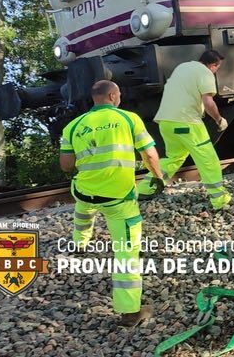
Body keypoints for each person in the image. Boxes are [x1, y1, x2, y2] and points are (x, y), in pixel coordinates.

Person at [59, 80, 165, 327]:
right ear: (113, 96)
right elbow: (149, 154)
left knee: (83, 208)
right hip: (118, 200)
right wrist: (158, 177)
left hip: (84, 192)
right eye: (118, 94)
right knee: (126, 252)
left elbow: (66, 166)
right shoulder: (129, 119)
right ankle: (130, 312)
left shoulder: (73, 126)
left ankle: (79, 243)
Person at [138, 50, 231, 210]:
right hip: (187, 124)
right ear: (213, 65)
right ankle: (219, 200)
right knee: (208, 160)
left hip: (166, 122)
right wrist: (219, 120)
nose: (216, 70)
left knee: (174, 158)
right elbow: (208, 102)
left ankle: (145, 189)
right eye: (218, 67)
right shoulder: (205, 73)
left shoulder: (182, 68)